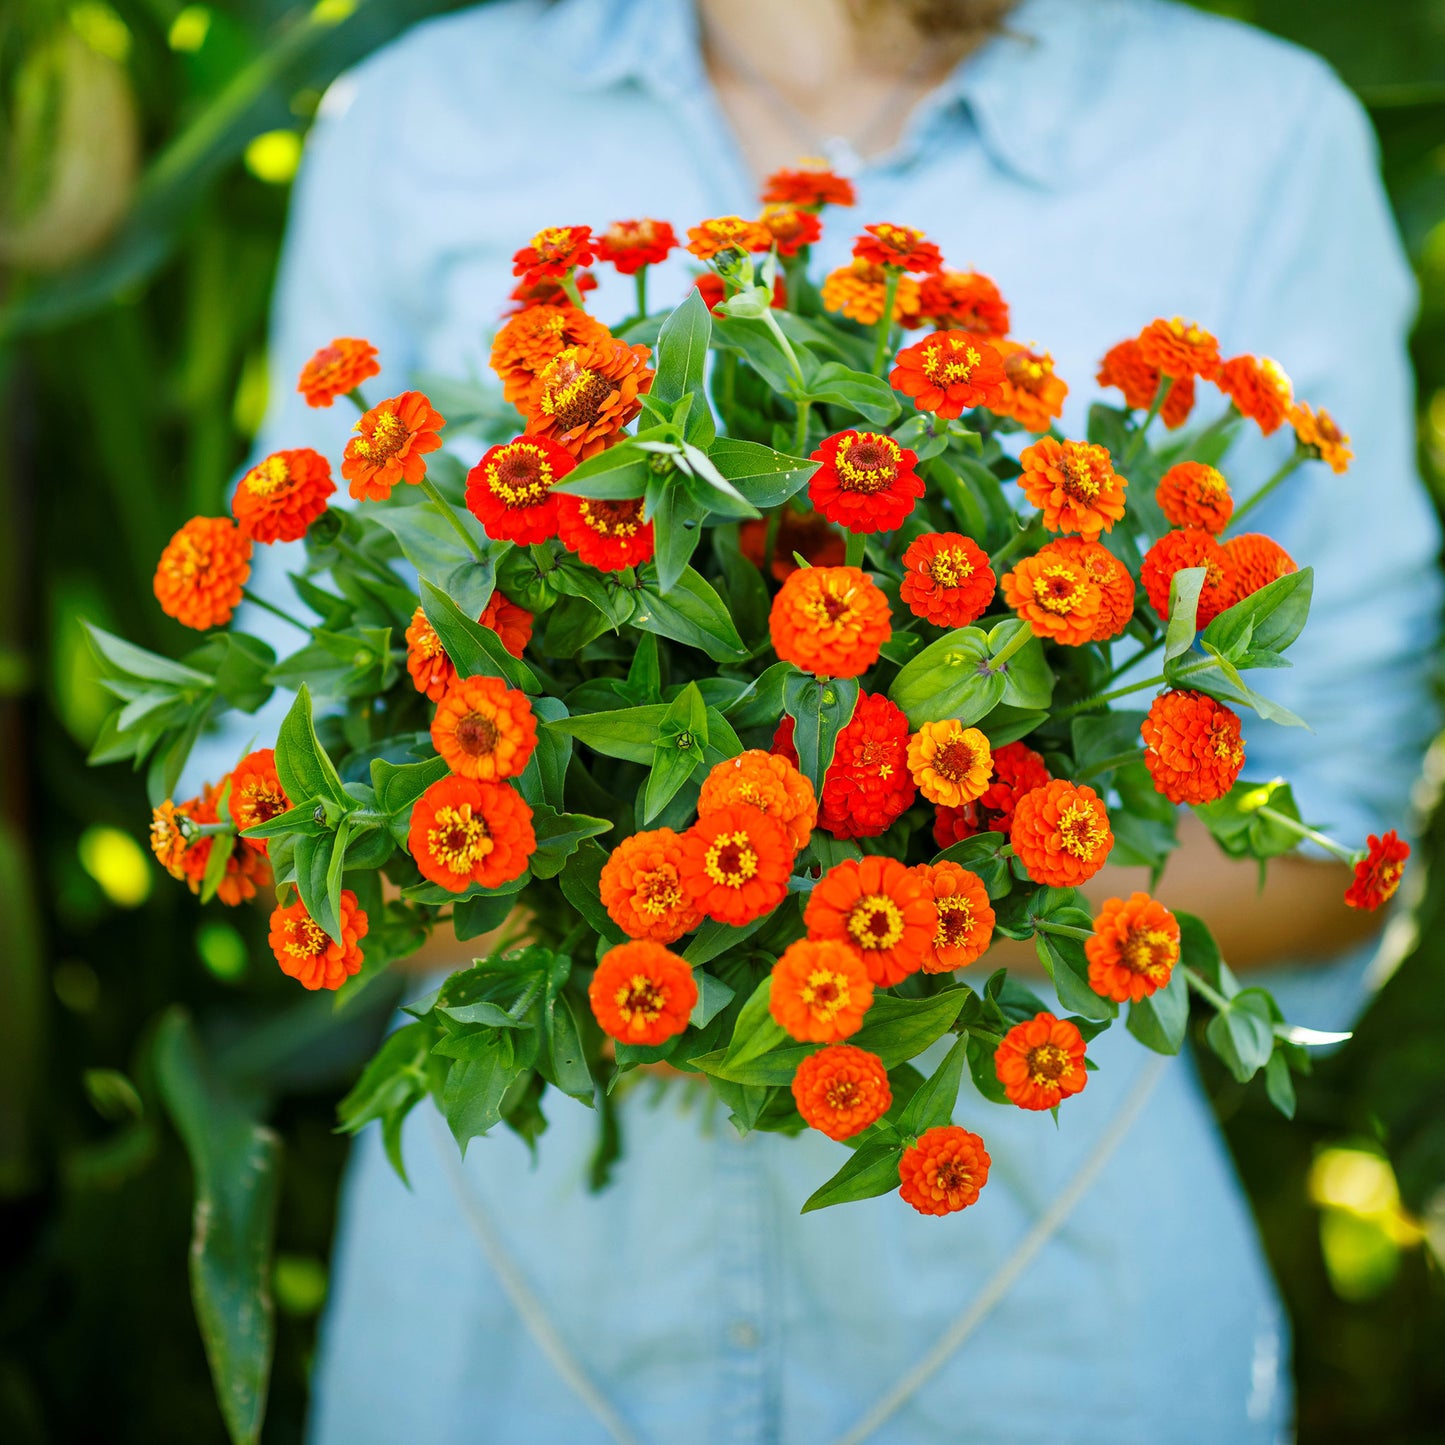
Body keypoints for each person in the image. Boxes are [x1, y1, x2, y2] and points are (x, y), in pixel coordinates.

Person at [236, 0, 1441, 1439]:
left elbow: (1337, 836)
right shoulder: (420, 120)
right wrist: (656, 888)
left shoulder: (1249, 132)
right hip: (514, 1350)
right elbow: (270, 810)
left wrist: (897, 913)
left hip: (1043, 1335)